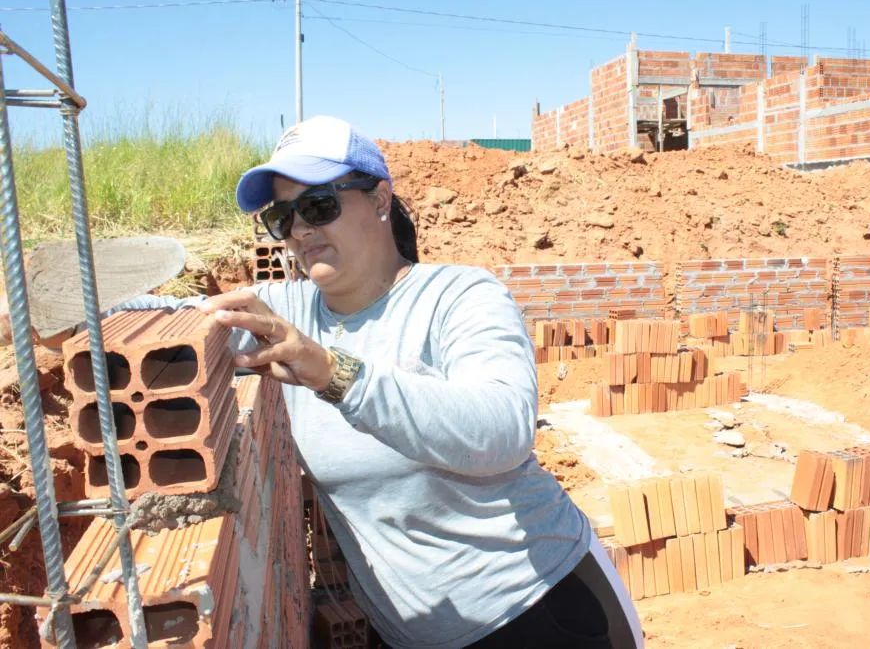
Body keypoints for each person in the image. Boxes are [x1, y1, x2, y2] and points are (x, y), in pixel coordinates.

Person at [3, 116, 644, 649]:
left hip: (544, 611)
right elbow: (154, 327)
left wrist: (333, 372)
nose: (302, 231)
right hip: (414, 635)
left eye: (319, 205)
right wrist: (45, 302)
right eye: (284, 219)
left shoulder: (458, 296)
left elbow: (501, 431)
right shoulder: (287, 309)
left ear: (382, 201)